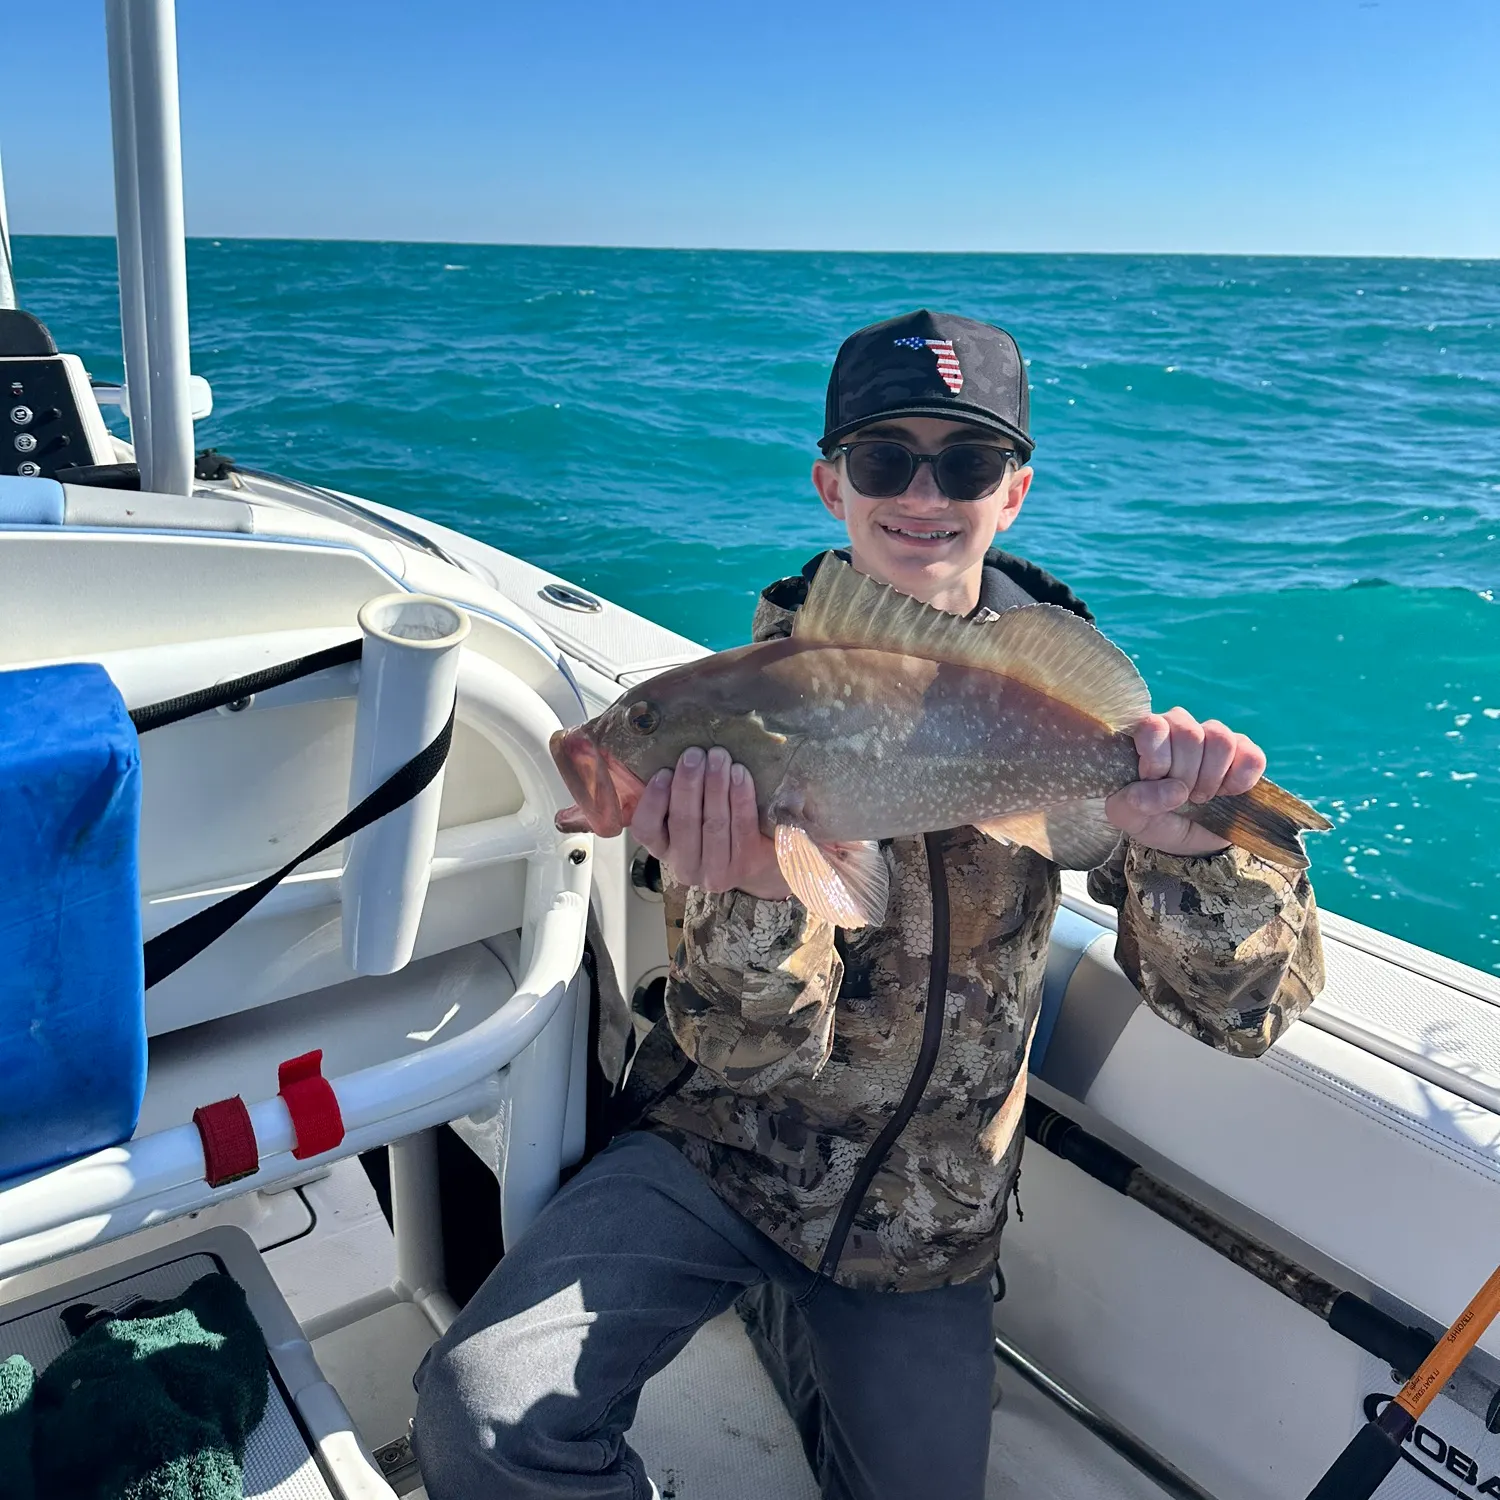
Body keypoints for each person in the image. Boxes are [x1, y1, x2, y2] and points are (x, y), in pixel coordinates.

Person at [412, 310, 1326, 1500]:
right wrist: (753, 895)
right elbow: (742, 1056)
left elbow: (1242, 1017)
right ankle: (786, 1330)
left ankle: (811, 1343)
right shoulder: (738, 712)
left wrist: (1196, 851)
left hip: (927, 1225)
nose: (923, 493)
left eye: (968, 461)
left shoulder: (1061, 719)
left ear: (1016, 491)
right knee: (482, 1415)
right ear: (831, 485)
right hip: (717, 1160)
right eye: (886, 459)